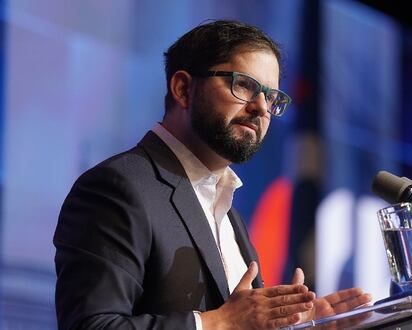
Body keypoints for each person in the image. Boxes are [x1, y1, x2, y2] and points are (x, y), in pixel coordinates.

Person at [54, 20, 371, 329]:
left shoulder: (227, 209)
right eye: (244, 85)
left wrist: (292, 325)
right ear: (183, 89)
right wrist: (220, 322)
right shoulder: (117, 187)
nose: (261, 108)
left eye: (272, 97)